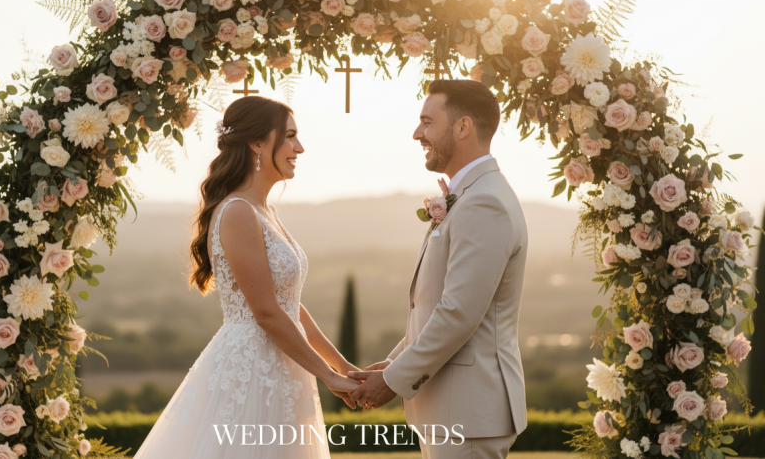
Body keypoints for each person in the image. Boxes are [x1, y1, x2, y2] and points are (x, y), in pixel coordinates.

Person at [134, 96, 360, 458]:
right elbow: (267, 312)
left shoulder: (264, 210)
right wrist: (328, 376)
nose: (298, 148)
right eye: (288, 137)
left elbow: (291, 306)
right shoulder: (238, 212)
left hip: (286, 363)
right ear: (257, 143)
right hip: (254, 369)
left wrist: (342, 366)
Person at [349, 80, 529, 459]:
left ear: (463, 127)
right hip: (452, 409)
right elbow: (434, 305)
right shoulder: (470, 196)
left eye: (427, 122)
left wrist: (393, 381)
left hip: (467, 409)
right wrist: (395, 362)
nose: (417, 133)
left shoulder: (484, 203)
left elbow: (458, 313)